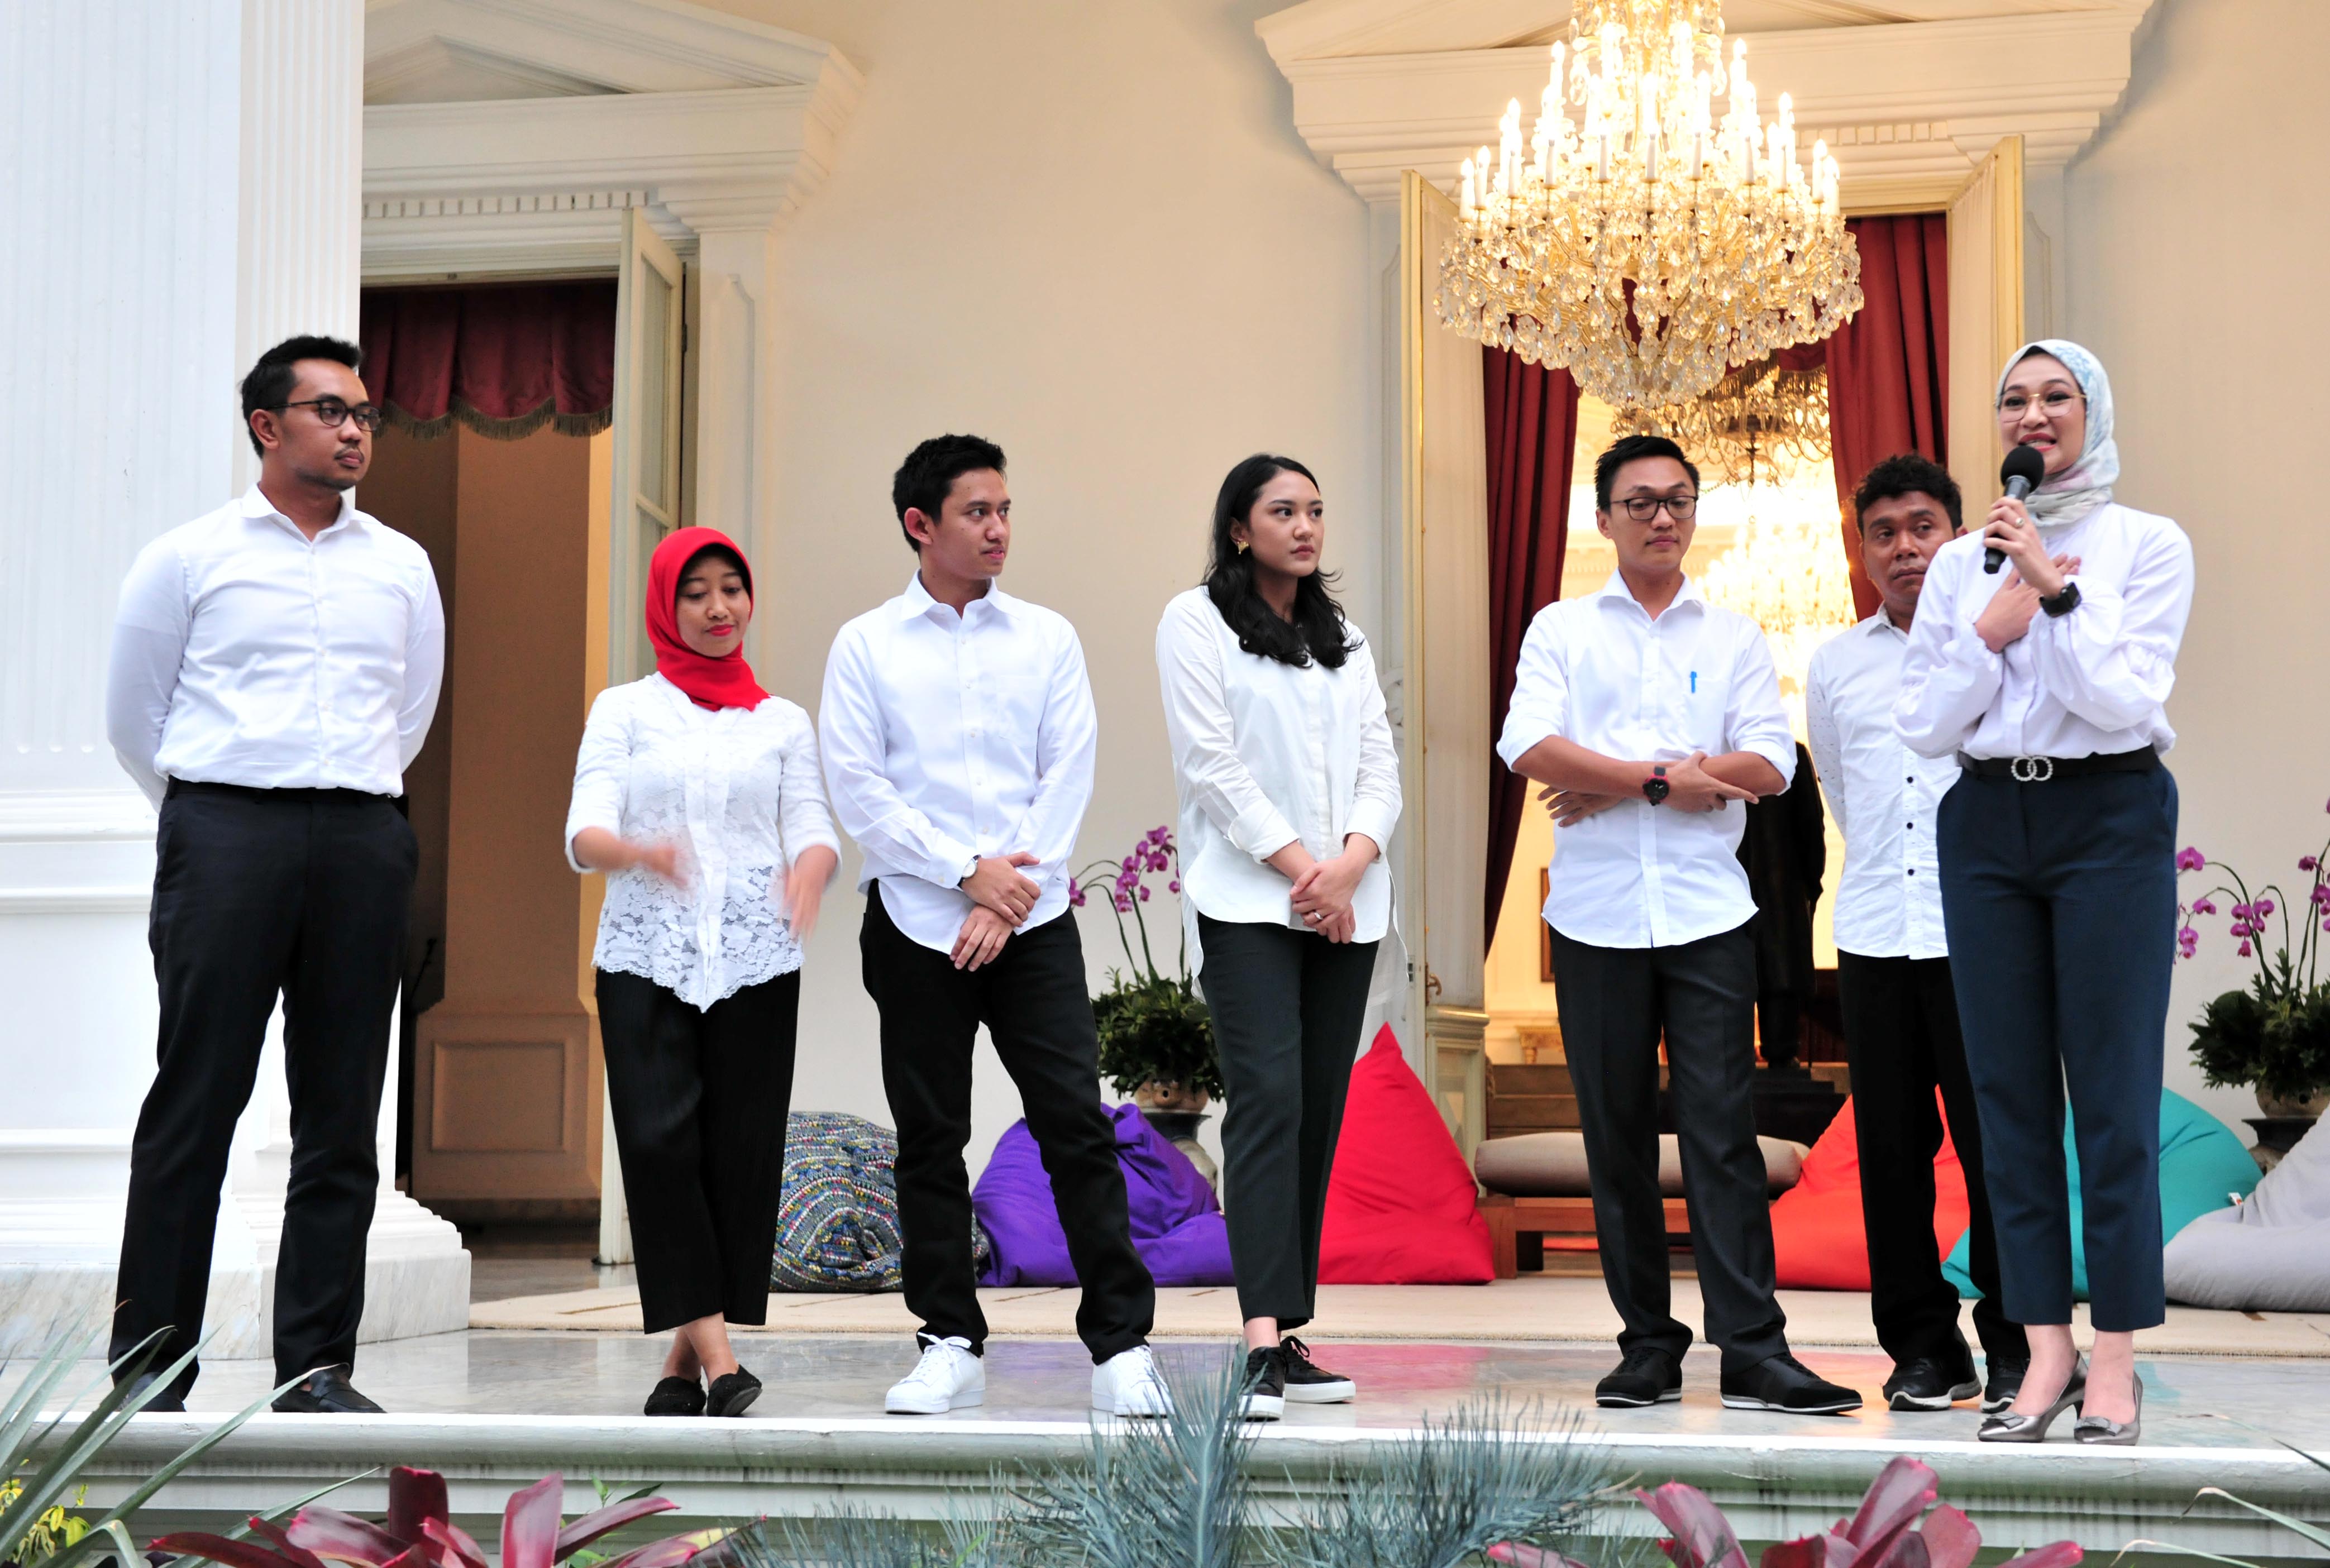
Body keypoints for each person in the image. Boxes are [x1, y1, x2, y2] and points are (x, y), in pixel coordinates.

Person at [103, 335, 442, 1413]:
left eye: (364, 415)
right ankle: (151, 1369)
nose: (355, 431)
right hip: (226, 837)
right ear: (267, 426)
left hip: (362, 840)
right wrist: (217, 817)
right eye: (330, 411)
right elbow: (133, 718)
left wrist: (339, 808)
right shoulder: (187, 558)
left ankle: (315, 1368)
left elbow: (410, 712)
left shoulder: (401, 565)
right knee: (195, 1102)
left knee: (342, 1118)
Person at [1498, 433, 1860, 1416]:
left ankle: (1754, 1352)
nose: (1663, 517)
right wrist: (1667, 777)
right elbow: (1528, 745)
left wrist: (1616, 780)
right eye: (1642, 501)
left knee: (1721, 1136)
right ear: (1605, 518)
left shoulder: (1732, 636)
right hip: (1594, 920)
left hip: (1708, 916)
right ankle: (1648, 1348)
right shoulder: (1561, 630)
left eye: (1679, 501)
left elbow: (1770, 765)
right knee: (1616, 1139)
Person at [820, 434, 1169, 1419]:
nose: (999, 528)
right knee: (930, 1138)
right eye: (978, 512)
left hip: (1035, 921)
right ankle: (949, 1343)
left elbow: (1068, 772)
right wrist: (963, 874)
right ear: (919, 524)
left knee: (1074, 1125)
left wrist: (1006, 895)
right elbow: (859, 786)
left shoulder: (1047, 638)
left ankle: (1121, 1347)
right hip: (913, 921)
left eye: (1005, 510)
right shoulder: (866, 645)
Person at [1898, 341, 2193, 1445]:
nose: (2033, 415)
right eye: (2014, 399)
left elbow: (2121, 703)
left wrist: (2056, 592)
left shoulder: (2148, 545)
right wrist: (1989, 630)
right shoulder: (1956, 565)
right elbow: (1925, 723)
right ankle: (2041, 1353)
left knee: (2111, 1096)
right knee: (2006, 1099)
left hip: (2108, 816)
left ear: (2090, 412)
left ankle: (2113, 1360)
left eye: (2055, 396)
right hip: (1985, 822)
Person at [565, 526, 839, 1418]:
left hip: (758, 959)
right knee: (657, 1148)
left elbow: (811, 822)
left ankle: (681, 1367)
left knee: (737, 1161)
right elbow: (584, 831)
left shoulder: (782, 720)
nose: (720, 608)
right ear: (665, 605)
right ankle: (724, 1366)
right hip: (645, 957)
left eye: (733, 588)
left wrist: (813, 868)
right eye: (697, 593)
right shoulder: (624, 710)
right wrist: (636, 851)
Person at [1155, 455, 1400, 1422]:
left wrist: (1351, 864)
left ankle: (1290, 1329)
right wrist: (1309, 872)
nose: (1305, 527)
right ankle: (1259, 1342)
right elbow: (1211, 766)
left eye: (1316, 511)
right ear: (1238, 528)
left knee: (1317, 1112)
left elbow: (1381, 763)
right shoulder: (1195, 621)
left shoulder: (1346, 638)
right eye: (1283, 511)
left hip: (1347, 901)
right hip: (1250, 902)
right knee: (1267, 1103)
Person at [1806, 455, 2029, 1414]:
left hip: (1981, 936)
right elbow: (1842, 794)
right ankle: (1924, 1350)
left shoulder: (2002, 638)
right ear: (1863, 551)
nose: (1905, 548)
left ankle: (2019, 1341)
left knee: (1997, 1149)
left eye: (1922, 527)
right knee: (1891, 1159)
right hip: (1873, 933)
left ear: (1958, 536)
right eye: (1884, 533)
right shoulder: (1835, 664)